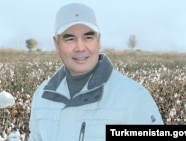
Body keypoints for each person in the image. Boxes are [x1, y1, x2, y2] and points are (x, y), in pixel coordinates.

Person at [28, 3, 164, 141]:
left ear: (98, 41)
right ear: (56, 44)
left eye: (88, 37)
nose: (80, 47)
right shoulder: (42, 96)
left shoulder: (134, 97)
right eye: (70, 39)